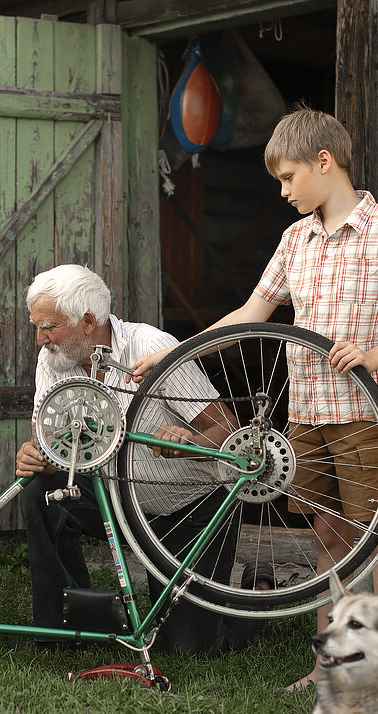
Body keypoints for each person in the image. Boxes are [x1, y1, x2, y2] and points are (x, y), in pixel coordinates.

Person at [132, 106, 378, 689]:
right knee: (328, 537)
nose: (282, 192)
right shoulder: (294, 239)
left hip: (364, 415)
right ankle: (331, 663)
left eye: (287, 178)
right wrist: (177, 353)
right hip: (305, 415)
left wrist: (377, 354)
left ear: (323, 163)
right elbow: (253, 315)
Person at [15, 264, 269, 655]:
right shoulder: (54, 360)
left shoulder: (150, 347)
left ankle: (258, 592)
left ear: (87, 322)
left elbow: (227, 429)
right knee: (39, 490)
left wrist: (189, 439)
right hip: (115, 500)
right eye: (36, 326)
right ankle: (62, 628)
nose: (38, 339)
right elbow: (51, 443)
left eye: (48, 327)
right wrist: (39, 456)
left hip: (186, 508)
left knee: (190, 646)